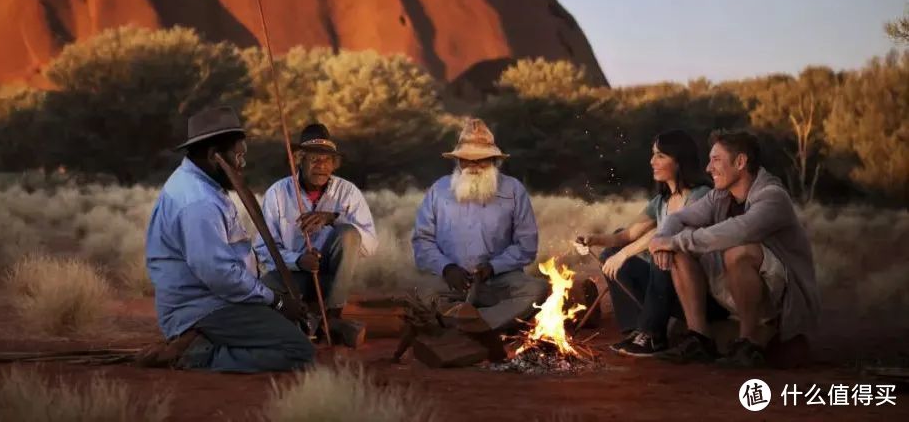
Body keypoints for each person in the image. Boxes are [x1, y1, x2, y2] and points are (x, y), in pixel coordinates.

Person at [144, 106, 315, 373]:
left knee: (290, 324)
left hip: (219, 298)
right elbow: (220, 275)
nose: (242, 164)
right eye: (239, 156)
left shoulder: (201, 184)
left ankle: (204, 342)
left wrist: (272, 299)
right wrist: (277, 301)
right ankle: (197, 354)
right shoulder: (198, 202)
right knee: (299, 352)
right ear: (214, 156)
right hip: (203, 307)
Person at [649, 129, 821, 367]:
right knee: (680, 245)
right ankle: (699, 339)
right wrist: (664, 239)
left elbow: (738, 231)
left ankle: (749, 343)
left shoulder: (772, 197)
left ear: (740, 162)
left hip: (781, 298)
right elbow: (679, 218)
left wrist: (673, 241)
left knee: (737, 250)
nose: (708, 169)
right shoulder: (719, 196)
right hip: (734, 286)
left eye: (716, 160)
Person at [577, 130, 712, 356]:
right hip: (665, 290)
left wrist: (625, 254)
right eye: (653, 155)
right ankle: (637, 328)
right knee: (609, 254)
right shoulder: (661, 201)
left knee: (662, 252)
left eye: (660, 156)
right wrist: (594, 239)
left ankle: (652, 334)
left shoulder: (701, 195)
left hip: (696, 290)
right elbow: (627, 235)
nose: (652, 161)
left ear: (679, 160)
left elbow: (668, 232)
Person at [411, 118, 548, 331]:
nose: (473, 166)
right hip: (452, 282)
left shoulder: (514, 190)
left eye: (481, 160)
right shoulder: (439, 190)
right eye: (466, 159)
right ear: (457, 161)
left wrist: (493, 267)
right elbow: (422, 241)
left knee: (537, 290)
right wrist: (447, 268)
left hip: (499, 281)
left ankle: (471, 323)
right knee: (422, 293)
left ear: (494, 160)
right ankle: (481, 322)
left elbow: (527, 246)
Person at [256, 123, 378, 348]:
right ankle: (313, 322)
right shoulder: (277, 193)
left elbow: (370, 245)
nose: (321, 166)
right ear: (299, 161)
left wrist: (334, 219)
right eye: (314, 159)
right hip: (294, 277)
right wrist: (298, 261)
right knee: (262, 293)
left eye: (327, 160)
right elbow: (264, 250)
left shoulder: (348, 192)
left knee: (349, 233)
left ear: (334, 164)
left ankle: (331, 317)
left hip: (332, 281)